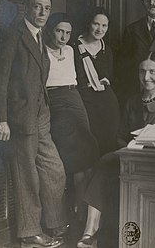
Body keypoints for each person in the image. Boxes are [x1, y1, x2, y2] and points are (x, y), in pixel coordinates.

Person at [77, 52, 155, 248]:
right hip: (131, 155)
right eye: (142, 72)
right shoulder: (132, 101)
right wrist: (127, 148)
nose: (146, 77)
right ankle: (89, 233)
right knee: (104, 163)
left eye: (152, 71)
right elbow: (121, 134)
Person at [0, 0, 66, 247]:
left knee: (54, 170)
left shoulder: (39, 36)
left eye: (46, 9)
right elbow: (0, 79)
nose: (42, 13)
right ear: (27, 7)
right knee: (27, 176)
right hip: (19, 118)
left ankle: (54, 222)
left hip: (40, 115)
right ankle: (29, 233)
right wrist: (1, 119)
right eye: (37, 7)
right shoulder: (14, 36)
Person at [44, 13, 99, 216]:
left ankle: (82, 206)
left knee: (88, 152)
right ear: (51, 30)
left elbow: (83, 75)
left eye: (67, 32)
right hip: (56, 101)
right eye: (60, 31)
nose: (64, 36)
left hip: (74, 98)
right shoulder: (42, 51)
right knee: (75, 157)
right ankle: (74, 209)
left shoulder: (70, 49)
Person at [73, 7, 120, 156]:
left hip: (106, 102)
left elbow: (109, 78)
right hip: (84, 100)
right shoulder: (74, 47)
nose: (100, 29)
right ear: (89, 24)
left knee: (108, 143)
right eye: (96, 24)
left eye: (104, 25)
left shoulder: (107, 50)